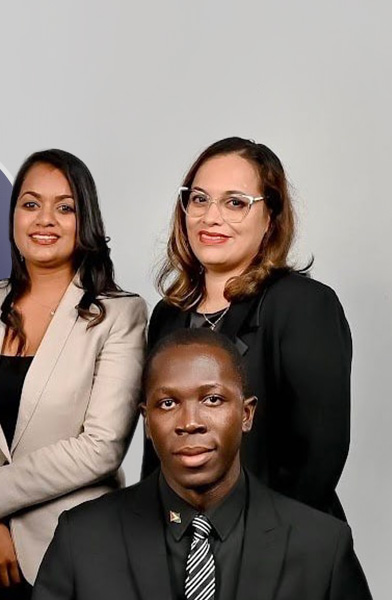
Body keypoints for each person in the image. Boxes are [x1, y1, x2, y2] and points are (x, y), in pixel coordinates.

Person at [0, 150, 146, 597]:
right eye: (31, 204)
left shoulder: (120, 314)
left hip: (80, 555)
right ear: (14, 216)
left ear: (85, 221)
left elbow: (102, 446)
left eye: (65, 208)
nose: (45, 219)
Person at [32, 329, 370, 598]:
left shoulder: (322, 547)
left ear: (246, 414)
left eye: (212, 399)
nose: (190, 422)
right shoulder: (82, 538)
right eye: (168, 403)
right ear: (147, 421)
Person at [140, 137, 352, 520]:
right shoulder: (167, 316)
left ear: (270, 218)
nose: (211, 217)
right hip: (181, 540)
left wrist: (251, 543)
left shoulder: (303, 305)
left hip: (280, 539)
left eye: (235, 203)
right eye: (199, 199)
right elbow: (155, 455)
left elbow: (317, 460)